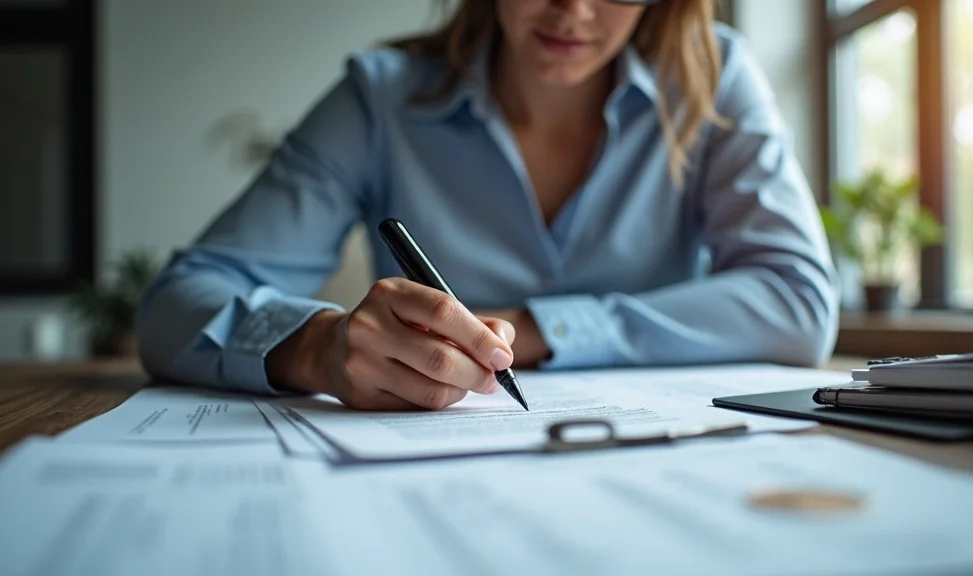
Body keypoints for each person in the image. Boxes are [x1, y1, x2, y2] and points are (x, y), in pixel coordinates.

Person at [135, 0, 840, 411]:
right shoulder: (382, 99)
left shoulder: (714, 80)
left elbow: (797, 301)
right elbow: (176, 305)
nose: (574, 10)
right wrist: (319, 349)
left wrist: (533, 330)